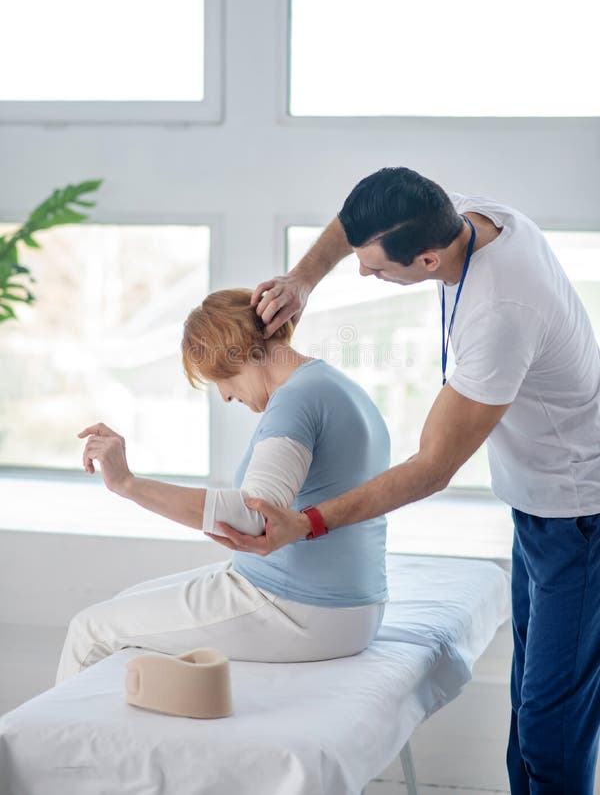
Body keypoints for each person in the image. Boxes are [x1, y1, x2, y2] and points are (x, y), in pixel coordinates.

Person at [208, 169, 600, 795]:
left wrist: (307, 523)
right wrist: (303, 279)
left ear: (427, 257)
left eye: (378, 269)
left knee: (550, 727)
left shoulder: (500, 315)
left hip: (578, 513)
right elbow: (359, 213)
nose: (364, 275)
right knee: (532, 707)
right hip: (539, 504)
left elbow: (432, 467)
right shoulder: (463, 214)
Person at [56, 288, 389, 683]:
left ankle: (52, 746)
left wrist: (127, 483)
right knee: (124, 605)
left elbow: (254, 517)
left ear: (240, 350)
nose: (226, 395)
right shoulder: (336, 385)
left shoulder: (297, 400)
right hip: (345, 605)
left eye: (220, 378)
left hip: (299, 609)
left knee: (90, 631)